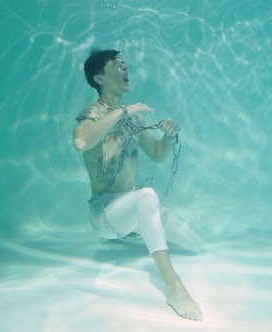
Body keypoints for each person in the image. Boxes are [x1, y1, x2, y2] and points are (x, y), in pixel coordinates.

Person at [72, 48, 203, 321]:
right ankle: (173, 286)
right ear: (99, 77)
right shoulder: (92, 114)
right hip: (105, 213)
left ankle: (138, 233)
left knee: (195, 243)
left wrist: (168, 135)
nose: (124, 68)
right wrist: (123, 112)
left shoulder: (134, 118)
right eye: (116, 65)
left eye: (124, 63)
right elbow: (81, 142)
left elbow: (157, 154)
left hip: (133, 206)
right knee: (146, 196)